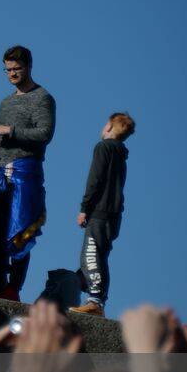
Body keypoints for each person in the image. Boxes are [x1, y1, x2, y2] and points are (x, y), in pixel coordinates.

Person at [0, 45, 56, 298]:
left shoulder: (42, 97)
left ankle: (13, 287)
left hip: (25, 172)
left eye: (17, 69)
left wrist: (9, 131)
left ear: (29, 66)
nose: (12, 74)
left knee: (20, 230)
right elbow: (1, 137)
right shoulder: (6, 102)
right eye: (8, 70)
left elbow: (44, 133)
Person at [70, 112, 134, 316]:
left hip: (100, 212)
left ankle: (95, 301)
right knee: (100, 256)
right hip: (113, 216)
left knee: (90, 255)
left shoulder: (103, 147)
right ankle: (97, 300)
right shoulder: (120, 153)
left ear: (110, 127)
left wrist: (84, 208)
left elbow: (95, 179)